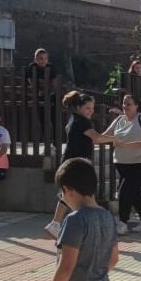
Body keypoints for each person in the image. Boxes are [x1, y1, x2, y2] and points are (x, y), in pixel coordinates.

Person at [45, 91, 115, 239]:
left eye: (92, 108)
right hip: (77, 163)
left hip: (72, 162)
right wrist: (117, 139)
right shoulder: (82, 121)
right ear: (78, 107)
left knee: (72, 194)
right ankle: (95, 223)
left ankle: (56, 224)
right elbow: (96, 138)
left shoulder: (74, 119)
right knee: (85, 194)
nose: (91, 111)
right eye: (87, 108)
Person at [104, 94, 141, 235]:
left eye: (129, 104)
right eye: (124, 103)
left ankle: (122, 223)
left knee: (125, 191)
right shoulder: (119, 120)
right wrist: (89, 136)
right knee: (134, 193)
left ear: (136, 106)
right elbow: (105, 136)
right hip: (123, 165)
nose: (125, 106)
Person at [25, 48, 58, 143]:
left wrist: (49, 89)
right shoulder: (32, 67)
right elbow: (30, 81)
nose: (43, 61)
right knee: (42, 119)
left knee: (54, 118)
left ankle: (56, 140)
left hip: (51, 95)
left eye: (45, 58)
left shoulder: (51, 67)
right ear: (35, 59)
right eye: (40, 58)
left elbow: (54, 83)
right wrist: (37, 90)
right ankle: (46, 140)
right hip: (38, 96)